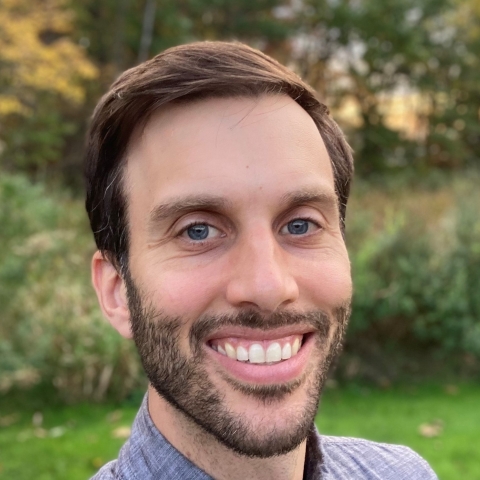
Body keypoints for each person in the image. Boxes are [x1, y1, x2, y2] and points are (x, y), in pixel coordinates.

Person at [85, 41, 437, 480]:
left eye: (301, 225)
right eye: (198, 230)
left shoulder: (402, 474)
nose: (269, 287)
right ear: (117, 291)